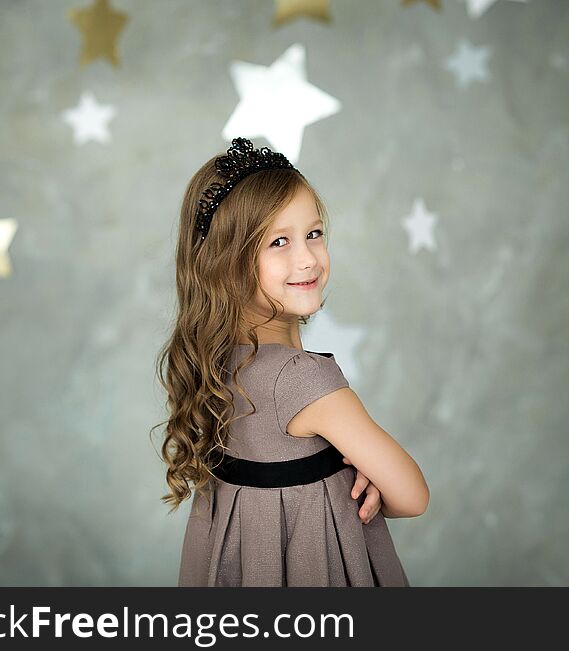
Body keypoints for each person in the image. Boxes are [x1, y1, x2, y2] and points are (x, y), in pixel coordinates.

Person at [156, 137, 429, 586]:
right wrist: (368, 480)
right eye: (279, 242)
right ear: (226, 264)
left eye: (314, 234)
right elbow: (413, 497)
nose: (307, 258)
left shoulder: (214, 363)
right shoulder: (305, 381)